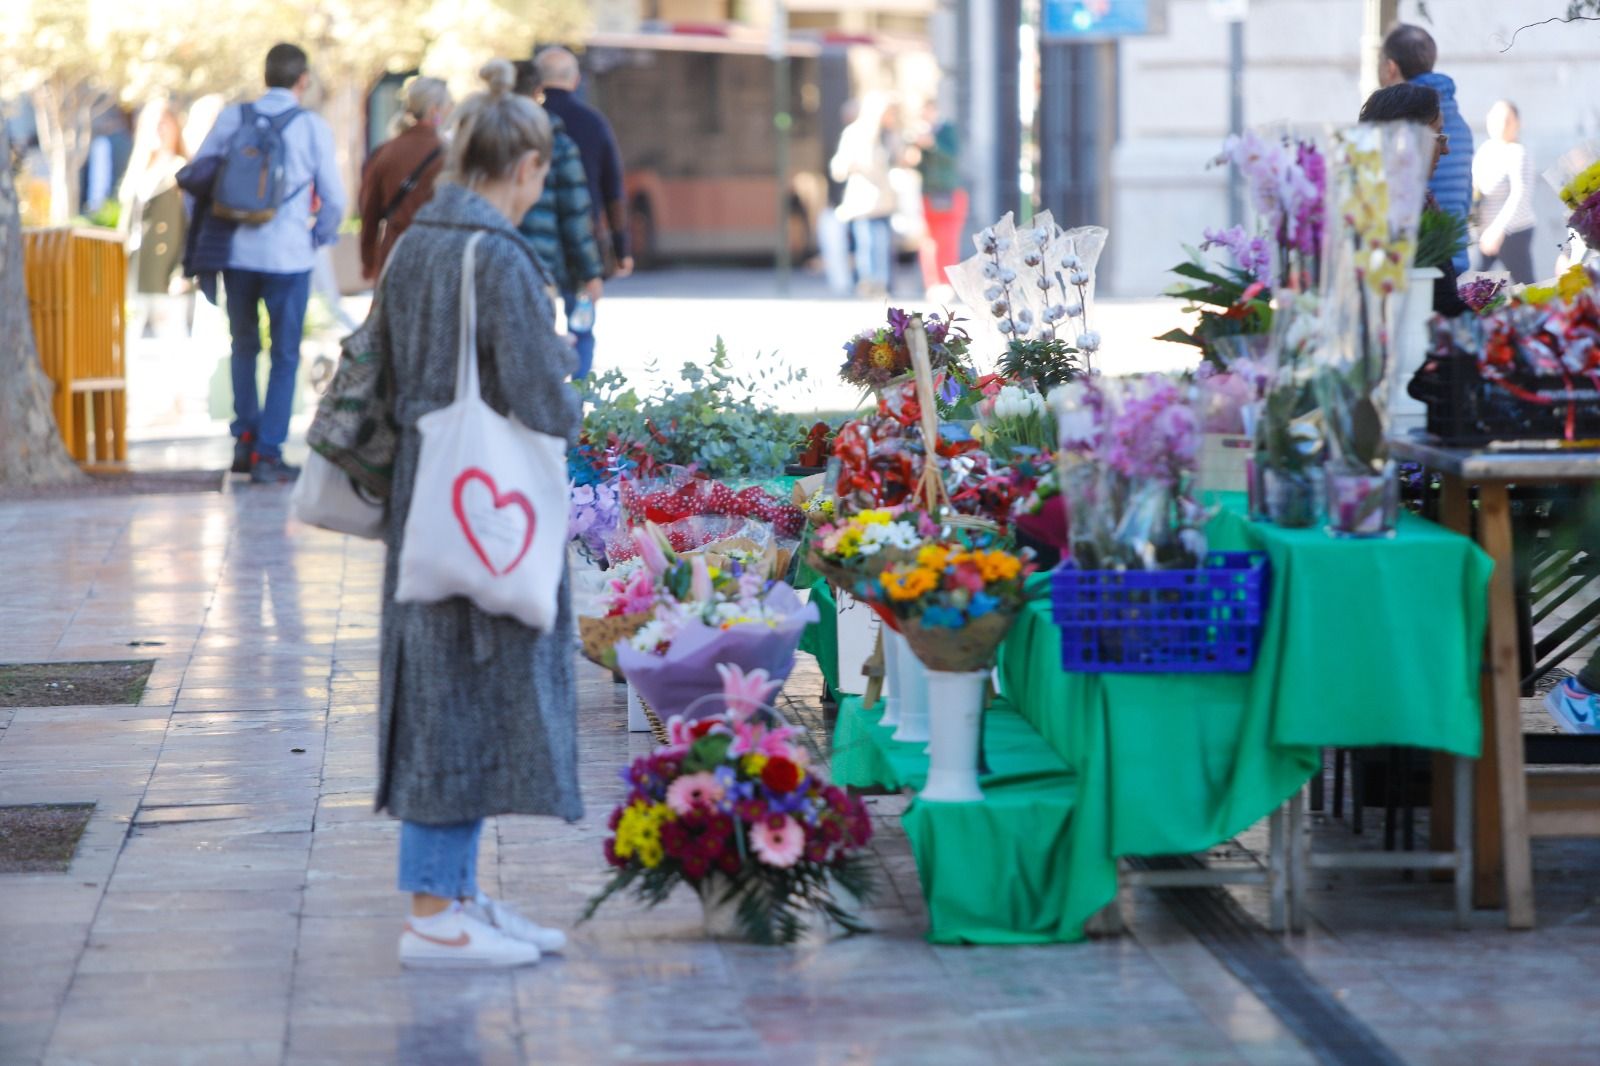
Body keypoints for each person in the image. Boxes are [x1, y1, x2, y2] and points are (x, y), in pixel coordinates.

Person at [374, 59, 581, 969]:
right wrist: (563, 362)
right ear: (525, 167)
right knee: (458, 700)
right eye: (540, 177)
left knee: (439, 696)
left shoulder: (419, 241)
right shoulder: (494, 256)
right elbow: (542, 397)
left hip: (427, 494)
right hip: (479, 511)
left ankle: (454, 893)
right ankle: (432, 914)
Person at [191, 43, 345, 483]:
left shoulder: (232, 118)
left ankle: (243, 439)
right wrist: (318, 235)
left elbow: (198, 177)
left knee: (242, 346)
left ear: (265, 75)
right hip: (289, 256)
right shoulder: (312, 126)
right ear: (304, 79)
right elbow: (334, 197)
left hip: (236, 253)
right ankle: (269, 451)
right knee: (285, 355)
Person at [533, 46, 631, 378]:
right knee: (582, 325)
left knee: (534, 325)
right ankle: (577, 401)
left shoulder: (527, 123)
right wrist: (621, 248)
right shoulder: (593, 123)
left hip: (533, 244)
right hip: (583, 244)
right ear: (575, 80)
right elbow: (613, 189)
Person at [510, 59, 604, 362]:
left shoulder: (480, 139)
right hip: (544, 262)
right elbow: (576, 214)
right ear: (539, 91)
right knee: (550, 342)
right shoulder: (558, 143)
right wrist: (590, 272)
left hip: (487, 259)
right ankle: (574, 400)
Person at [1359, 82, 1469, 317]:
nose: (1446, 149)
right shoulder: (1387, 211)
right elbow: (1439, 302)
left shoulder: (1417, 200)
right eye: (1439, 137)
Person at [1380, 24, 1473, 275]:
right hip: (1455, 259)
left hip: (1418, 268)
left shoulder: (1404, 122)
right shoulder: (1461, 122)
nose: (1445, 151)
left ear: (1390, 68)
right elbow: (1466, 199)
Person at [358, 76, 451, 282]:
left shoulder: (384, 152)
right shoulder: (449, 155)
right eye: (447, 106)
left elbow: (369, 212)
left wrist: (368, 260)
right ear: (435, 109)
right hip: (436, 257)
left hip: (394, 253)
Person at [117, 99, 188, 340]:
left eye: (164, 124)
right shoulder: (138, 171)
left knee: (169, 342)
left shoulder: (182, 170)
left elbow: (189, 226)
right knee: (130, 339)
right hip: (136, 265)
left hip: (165, 272)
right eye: (154, 125)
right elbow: (126, 225)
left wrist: (182, 270)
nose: (159, 130)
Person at [830, 92, 902, 299]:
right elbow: (839, 166)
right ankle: (869, 284)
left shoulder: (889, 135)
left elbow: (897, 160)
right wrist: (855, 166)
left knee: (884, 244)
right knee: (868, 244)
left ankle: (883, 285)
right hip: (864, 200)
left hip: (885, 200)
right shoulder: (855, 133)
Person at [1472, 100, 1538, 284]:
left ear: (1517, 123)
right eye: (1495, 118)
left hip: (1513, 231)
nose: (1500, 124)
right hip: (1484, 232)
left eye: (1507, 120)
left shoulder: (1519, 153)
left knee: (1524, 285)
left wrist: (1498, 230)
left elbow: (1520, 195)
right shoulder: (1485, 150)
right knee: (1474, 283)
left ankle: (1539, 312)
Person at [914, 102, 966, 300]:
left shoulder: (946, 130)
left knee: (947, 239)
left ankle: (946, 283)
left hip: (947, 192)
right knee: (928, 241)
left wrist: (932, 144)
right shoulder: (917, 134)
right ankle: (932, 283)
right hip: (928, 192)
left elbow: (951, 156)